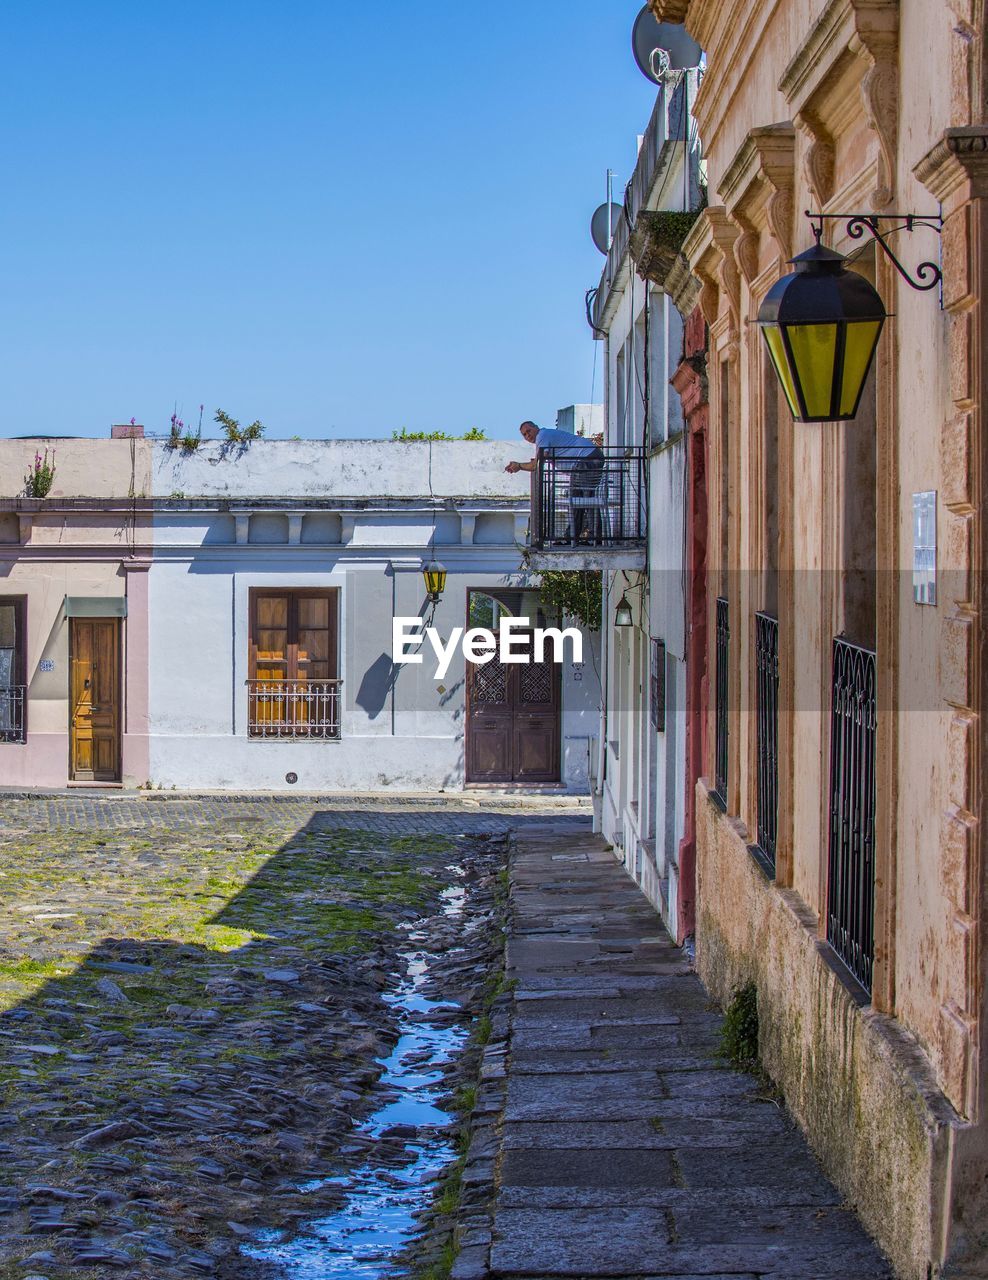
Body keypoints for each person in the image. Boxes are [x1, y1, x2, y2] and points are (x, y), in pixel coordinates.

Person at [505, 420, 605, 543]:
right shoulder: (543, 437)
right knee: (576, 501)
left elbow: (536, 465)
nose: (528, 436)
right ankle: (572, 537)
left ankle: (594, 537)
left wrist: (519, 466)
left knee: (587, 500)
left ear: (536, 427)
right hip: (581, 463)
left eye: (528, 431)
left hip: (587, 459)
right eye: (524, 435)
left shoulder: (542, 436)